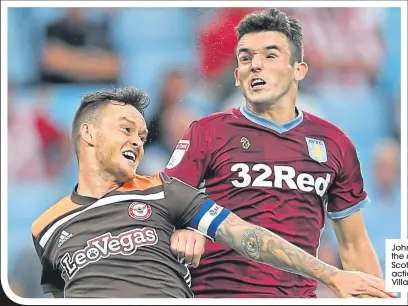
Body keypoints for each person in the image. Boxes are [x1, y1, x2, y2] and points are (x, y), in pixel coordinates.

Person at [31, 87, 393, 299]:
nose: (136, 142)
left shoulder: (164, 192)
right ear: (89, 135)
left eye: (142, 136)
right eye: (126, 129)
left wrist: (329, 275)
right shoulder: (45, 227)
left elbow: (250, 236)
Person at [165, 8, 384, 298]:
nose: (255, 65)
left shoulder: (335, 143)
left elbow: (354, 244)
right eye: (245, 58)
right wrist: (183, 228)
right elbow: (162, 210)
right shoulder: (207, 132)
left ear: (299, 70)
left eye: (270, 56)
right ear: (236, 76)